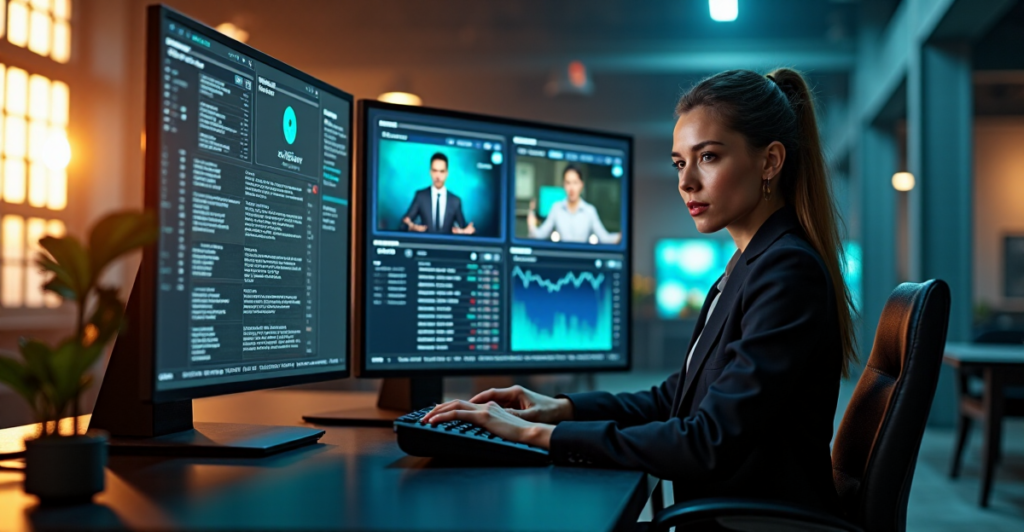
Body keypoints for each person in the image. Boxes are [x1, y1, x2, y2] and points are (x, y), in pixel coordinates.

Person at [423, 68, 857, 516]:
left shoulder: (787, 270)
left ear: (769, 161)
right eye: (679, 163)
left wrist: (537, 436)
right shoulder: (750, 263)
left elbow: (708, 441)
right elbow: (678, 398)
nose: (685, 182)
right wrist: (559, 408)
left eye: (707, 157)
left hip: (751, 525)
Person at [527, 165, 621, 244]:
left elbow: (605, 238)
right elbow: (540, 235)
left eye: (575, 183)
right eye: (568, 183)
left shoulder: (590, 211)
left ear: (581, 185)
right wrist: (531, 224)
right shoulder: (556, 208)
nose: (571, 188)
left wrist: (623, 235)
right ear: (564, 185)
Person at [401, 152, 475, 235]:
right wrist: (411, 227)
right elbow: (404, 223)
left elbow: (466, 229)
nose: (438, 176)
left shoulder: (455, 201)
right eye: (435, 171)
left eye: (441, 171)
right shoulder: (421, 196)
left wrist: (466, 231)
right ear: (430, 172)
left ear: (447, 173)